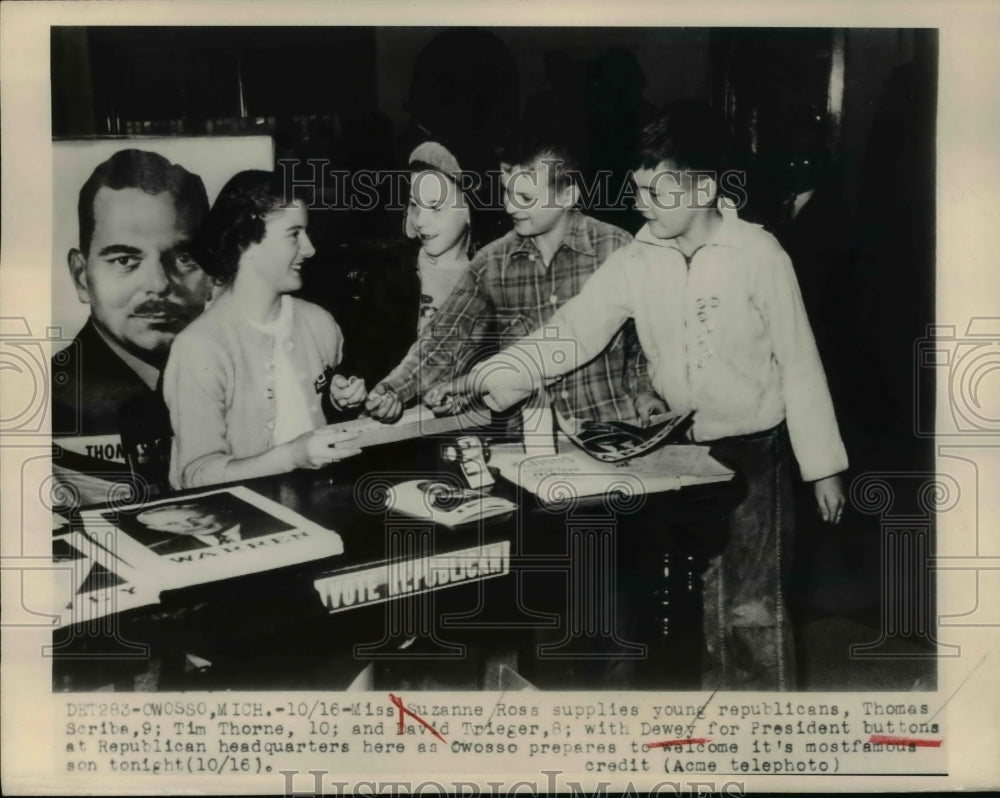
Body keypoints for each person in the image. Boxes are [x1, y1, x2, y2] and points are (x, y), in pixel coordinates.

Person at [455, 101, 849, 690]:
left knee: (751, 606)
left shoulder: (759, 256)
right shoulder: (638, 260)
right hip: (683, 453)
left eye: (658, 192)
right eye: (638, 190)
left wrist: (824, 468)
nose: (642, 203)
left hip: (755, 453)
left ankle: (767, 737)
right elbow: (574, 329)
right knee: (692, 605)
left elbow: (800, 361)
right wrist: (499, 375)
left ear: (706, 188)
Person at [364, 133, 660, 426]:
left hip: (613, 431)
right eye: (507, 192)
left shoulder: (615, 247)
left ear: (568, 195)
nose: (510, 207)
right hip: (527, 446)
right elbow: (443, 340)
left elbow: (641, 343)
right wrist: (393, 390)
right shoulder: (492, 263)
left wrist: (644, 393)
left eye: (526, 197)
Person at [163, 170, 364, 489]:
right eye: (293, 234)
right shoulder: (199, 348)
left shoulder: (320, 323)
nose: (309, 249)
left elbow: (329, 426)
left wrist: (343, 403)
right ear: (246, 240)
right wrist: (292, 456)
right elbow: (196, 475)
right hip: (236, 523)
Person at [52, 149, 214, 436]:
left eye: (185, 258)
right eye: (125, 260)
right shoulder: (47, 404)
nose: (160, 284)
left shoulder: (236, 376)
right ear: (81, 278)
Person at [337, 141, 489, 389]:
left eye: (436, 207)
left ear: (470, 210)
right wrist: (349, 384)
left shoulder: (493, 280)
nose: (420, 220)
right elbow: (361, 355)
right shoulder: (391, 275)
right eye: (415, 204)